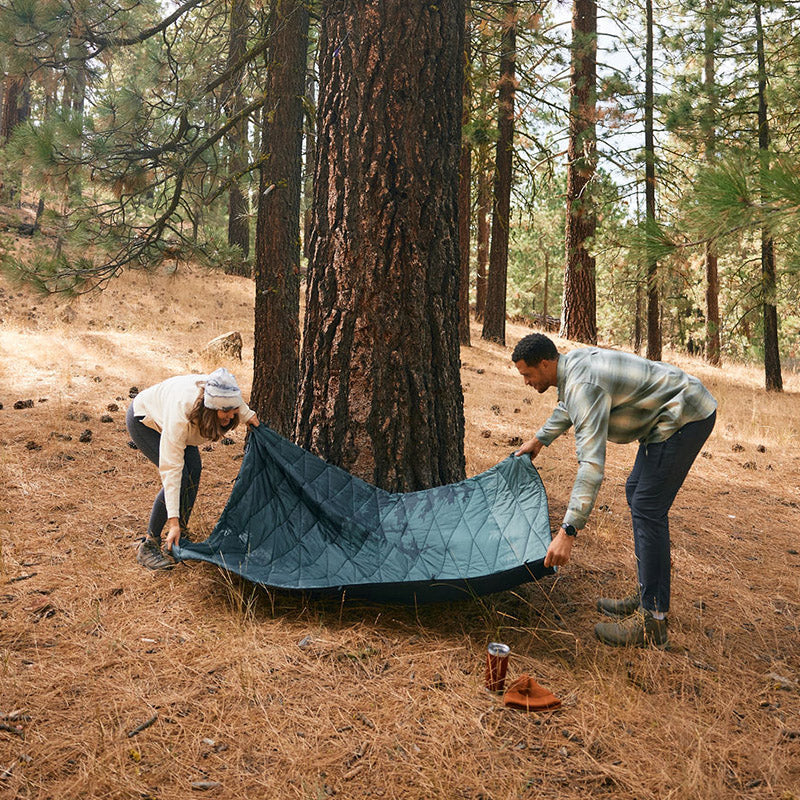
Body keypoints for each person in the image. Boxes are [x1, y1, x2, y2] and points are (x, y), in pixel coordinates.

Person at [511, 333, 717, 648]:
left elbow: (591, 466)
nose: (526, 381)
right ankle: (648, 589)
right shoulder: (573, 366)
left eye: (528, 374)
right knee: (637, 491)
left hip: (685, 415)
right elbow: (569, 406)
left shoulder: (582, 386)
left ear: (545, 363)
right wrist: (539, 440)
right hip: (672, 411)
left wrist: (568, 530)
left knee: (648, 505)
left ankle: (653, 621)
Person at [125, 367, 260, 570]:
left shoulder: (223, 392)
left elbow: (234, 401)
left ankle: (180, 534)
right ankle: (149, 543)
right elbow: (171, 472)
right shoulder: (180, 415)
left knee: (193, 470)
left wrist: (249, 416)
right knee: (180, 476)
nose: (230, 418)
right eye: (224, 412)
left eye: (233, 412)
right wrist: (172, 521)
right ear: (211, 408)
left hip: (180, 419)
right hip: (145, 420)